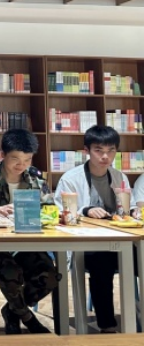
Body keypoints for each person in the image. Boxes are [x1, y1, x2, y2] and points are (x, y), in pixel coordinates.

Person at [0, 128, 58, 335]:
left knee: (49, 276)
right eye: (15, 159)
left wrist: (52, 214)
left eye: (27, 160)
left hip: (24, 243)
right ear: (2, 155)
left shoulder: (36, 178)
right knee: (10, 271)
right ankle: (28, 319)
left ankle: (12, 311)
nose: (21, 165)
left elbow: (49, 208)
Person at [55, 125, 136, 333]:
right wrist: (86, 210)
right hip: (87, 245)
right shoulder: (71, 179)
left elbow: (131, 206)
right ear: (87, 151)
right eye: (99, 150)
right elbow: (60, 212)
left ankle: (137, 317)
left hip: (120, 240)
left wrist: (134, 211)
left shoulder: (119, 177)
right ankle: (107, 325)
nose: (105, 156)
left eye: (111, 151)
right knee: (102, 263)